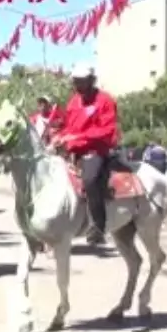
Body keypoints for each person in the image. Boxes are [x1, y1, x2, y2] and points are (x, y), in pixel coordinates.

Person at [52, 62, 118, 246]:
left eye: (81, 81)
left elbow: (107, 130)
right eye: (75, 82)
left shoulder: (105, 100)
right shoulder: (74, 101)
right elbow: (69, 127)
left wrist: (78, 136)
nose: (78, 85)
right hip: (74, 150)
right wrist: (60, 137)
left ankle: (98, 226)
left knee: (89, 179)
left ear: (91, 81)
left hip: (96, 150)